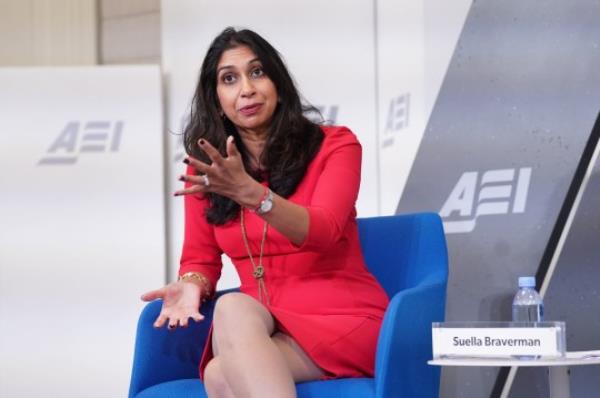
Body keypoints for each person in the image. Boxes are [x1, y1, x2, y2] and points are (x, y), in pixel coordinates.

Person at [141, 27, 389, 398]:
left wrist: (254, 195)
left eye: (257, 72)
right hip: (263, 326)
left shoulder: (334, 145)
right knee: (229, 330)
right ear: (216, 98)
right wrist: (192, 284)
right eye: (229, 79)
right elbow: (200, 258)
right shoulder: (208, 170)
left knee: (221, 368)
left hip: (344, 321)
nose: (247, 89)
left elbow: (324, 230)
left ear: (278, 81)